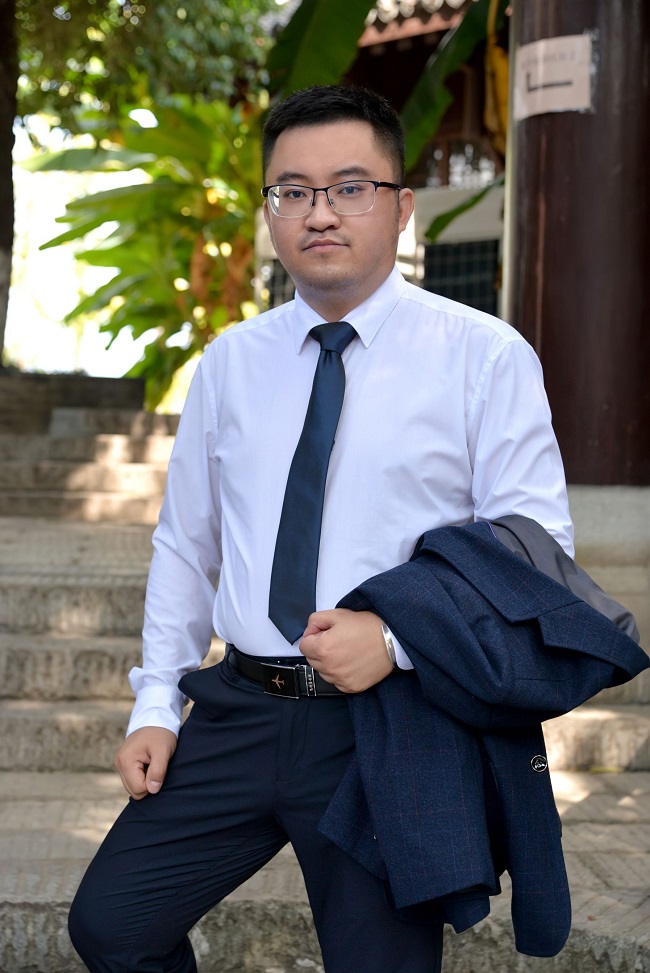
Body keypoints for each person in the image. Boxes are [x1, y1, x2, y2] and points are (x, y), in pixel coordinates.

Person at [68, 84, 574, 973]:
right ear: (270, 209)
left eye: (349, 187)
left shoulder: (484, 357)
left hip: (387, 725)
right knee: (113, 927)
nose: (320, 212)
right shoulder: (230, 362)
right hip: (239, 707)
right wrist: (155, 706)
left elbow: (538, 555)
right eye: (292, 191)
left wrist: (398, 639)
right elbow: (187, 545)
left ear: (401, 206)